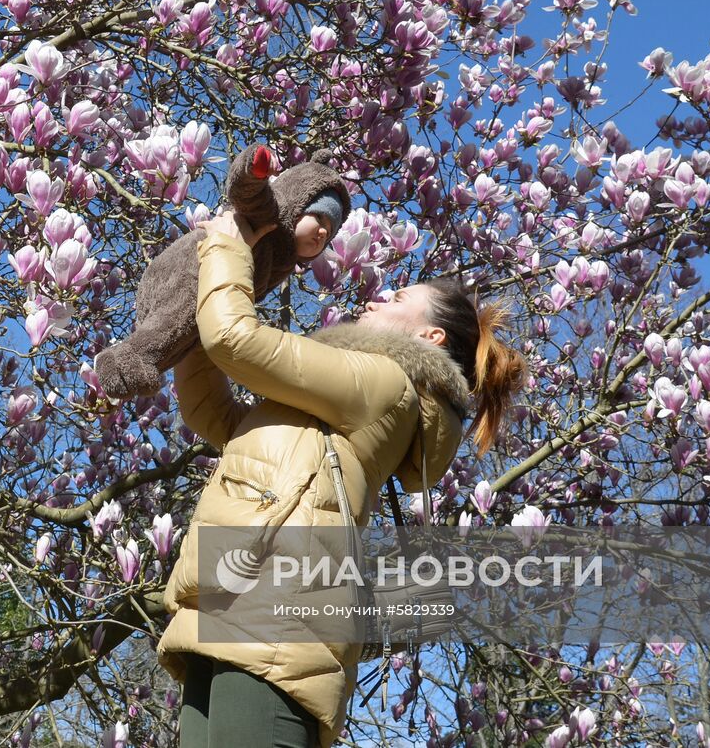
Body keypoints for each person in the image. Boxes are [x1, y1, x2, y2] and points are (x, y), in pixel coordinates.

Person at [154, 209, 526, 748]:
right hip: (229, 599)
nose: (376, 298)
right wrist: (195, 300)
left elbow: (234, 338)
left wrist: (227, 247)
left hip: (277, 620)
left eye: (397, 300)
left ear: (430, 334)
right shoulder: (337, 401)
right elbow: (217, 416)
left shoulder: (387, 382)